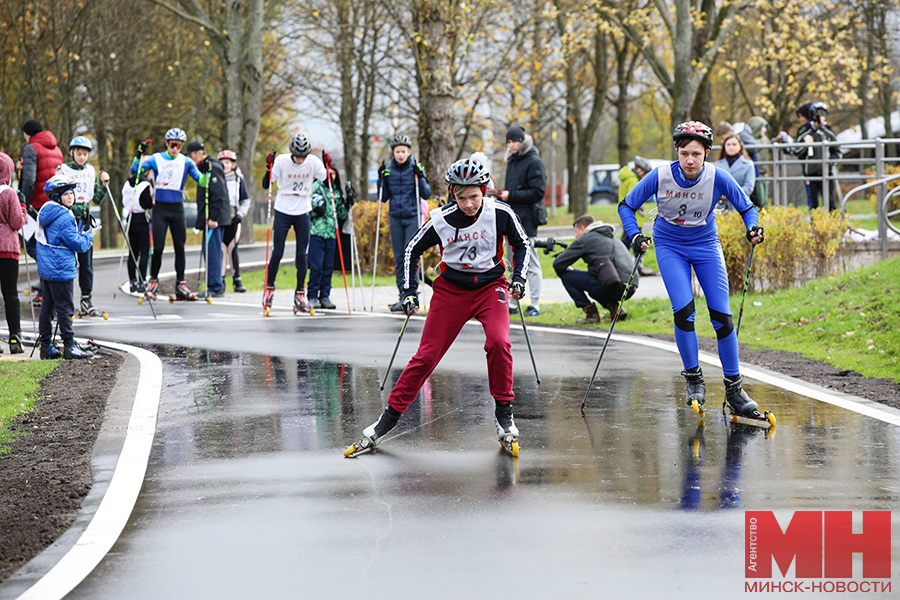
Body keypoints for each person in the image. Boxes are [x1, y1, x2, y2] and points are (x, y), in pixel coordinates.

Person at [344, 158, 530, 458]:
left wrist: (519, 278)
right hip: (451, 291)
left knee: (499, 342)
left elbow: (522, 244)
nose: (469, 204)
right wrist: (408, 291)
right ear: (452, 195)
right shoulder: (440, 218)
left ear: (484, 190)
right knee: (426, 356)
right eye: (461, 197)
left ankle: (504, 416)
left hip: (490, 287)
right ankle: (384, 423)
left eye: (474, 196)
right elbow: (411, 249)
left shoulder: (500, 212)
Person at [618, 121, 767, 421]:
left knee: (722, 317)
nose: (689, 160)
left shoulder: (717, 177)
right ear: (676, 151)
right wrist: (635, 234)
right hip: (669, 244)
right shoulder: (659, 175)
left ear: (707, 154)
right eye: (684, 153)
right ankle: (694, 379)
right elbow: (626, 205)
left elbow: (748, 207)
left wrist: (753, 227)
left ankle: (735, 390)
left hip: (705, 243)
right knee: (684, 311)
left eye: (696, 154)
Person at [131, 128, 203, 299]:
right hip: (160, 209)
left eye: (178, 146)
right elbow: (136, 172)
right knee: (158, 248)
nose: (175, 149)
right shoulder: (156, 158)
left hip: (177, 208)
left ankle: (181, 284)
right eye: (172, 145)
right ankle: (153, 281)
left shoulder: (186, 161)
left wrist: (207, 170)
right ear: (166, 144)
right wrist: (138, 156)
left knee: (180, 247)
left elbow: (201, 180)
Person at [261, 133, 327, 313]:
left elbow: (325, 179)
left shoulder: (313, 161)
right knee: (278, 252)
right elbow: (267, 184)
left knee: (301, 255)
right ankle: (269, 289)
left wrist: (327, 163)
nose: (300, 160)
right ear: (291, 153)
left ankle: (299, 294)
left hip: (303, 210)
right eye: (297, 156)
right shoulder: (282, 161)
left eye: (303, 156)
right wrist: (269, 167)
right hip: (283, 209)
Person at [35, 175, 95, 359]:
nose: (71, 197)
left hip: (48, 270)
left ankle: (46, 346)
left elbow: (60, 238)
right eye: (66, 194)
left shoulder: (46, 211)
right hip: (61, 270)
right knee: (65, 309)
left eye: (72, 193)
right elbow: (77, 244)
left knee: (48, 308)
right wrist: (89, 234)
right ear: (56, 196)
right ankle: (69, 346)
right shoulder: (64, 217)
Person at [377, 135, 432, 312]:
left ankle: (412, 293)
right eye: (397, 151)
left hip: (412, 217)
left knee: (411, 255)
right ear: (393, 152)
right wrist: (381, 179)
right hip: (395, 217)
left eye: (404, 151)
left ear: (409, 152)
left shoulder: (414, 169)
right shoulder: (389, 170)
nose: (401, 154)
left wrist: (421, 176)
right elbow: (383, 197)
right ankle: (402, 294)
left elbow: (426, 194)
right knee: (399, 256)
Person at [552, 214, 638, 324]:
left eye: (576, 231)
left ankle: (591, 315)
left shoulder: (587, 238)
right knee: (594, 283)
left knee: (567, 276)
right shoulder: (609, 236)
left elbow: (558, 263)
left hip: (617, 285)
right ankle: (616, 309)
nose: (575, 236)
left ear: (582, 228)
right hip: (631, 286)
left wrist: (568, 269)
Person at [58, 135, 110, 316]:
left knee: (86, 263)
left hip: (85, 221)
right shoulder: (63, 169)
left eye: (85, 154)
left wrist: (104, 185)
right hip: (67, 220)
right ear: (72, 153)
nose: (81, 157)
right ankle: (63, 301)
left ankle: (86, 299)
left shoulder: (91, 171)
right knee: (65, 261)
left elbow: (96, 198)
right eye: (78, 153)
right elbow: (55, 192)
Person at [498, 123, 546, 317]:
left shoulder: (534, 161)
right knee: (511, 262)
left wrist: (511, 196)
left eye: (514, 141)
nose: (511, 145)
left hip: (528, 220)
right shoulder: (511, 161)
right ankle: (512, 303)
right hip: (512, 218)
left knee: (531, 262)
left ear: (522, 141)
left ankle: (535, 304)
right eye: (508, 142)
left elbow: (538, 192)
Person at [18, 119, 64, 304]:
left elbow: (29, 180)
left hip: (36, 205)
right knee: (47, 244)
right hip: (55, 204)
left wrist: (23, 203)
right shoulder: (56, 149)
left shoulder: (31, 148)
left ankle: (49, 284)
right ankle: (48, 284)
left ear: (27, 133)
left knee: (33, 246)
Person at [185, 141, 230, 298]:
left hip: (214, 219)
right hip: (208, 218)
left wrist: (213, 218)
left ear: (199, 153)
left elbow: (219, 194)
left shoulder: (212, 167)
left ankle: (215, 286)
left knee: (212, 252)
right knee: (209, 251)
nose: (191, 159)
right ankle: (215, 283)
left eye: (191, 155)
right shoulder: (204, 167)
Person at [307, 165, 348, 309]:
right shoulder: (316, 186)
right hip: (317, 232)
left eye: (334, 174)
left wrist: (347, 203)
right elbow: (310, 201)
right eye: (328, 173)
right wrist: (316, 206)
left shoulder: (336, 191)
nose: (331, 176)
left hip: (331, 233)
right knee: (316, 266)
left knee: (328, 267)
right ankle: (312, 296)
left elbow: (341, 214)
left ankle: (325, 296)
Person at [0, 152, 27, 354]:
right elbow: (17, 222)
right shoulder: (9, 193)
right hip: (8, 248)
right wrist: (23, 206)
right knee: (10, 293)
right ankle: (14, 338)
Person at [218, 150, 250, 293]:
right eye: (222, 162)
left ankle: (237, 279)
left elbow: (245, 200)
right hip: (220, 218)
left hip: (233, 217)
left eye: (227, 162)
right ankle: (221, 279)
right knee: (221, 249)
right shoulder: (215, 178)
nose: (224, 165)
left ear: (233, 164)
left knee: (232, 248)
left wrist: (240, 214)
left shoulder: (238, 180)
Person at [121, 155, 153, 292]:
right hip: (141, 219)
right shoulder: (145, 184)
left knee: (132, 252)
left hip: (130, 219)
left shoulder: (127, 183)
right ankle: (141, 280)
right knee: (144, 251)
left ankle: (132, 280)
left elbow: (123, 201)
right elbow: (147, 204)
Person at [617, 156, 654, 276]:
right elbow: (633, 200)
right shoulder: (633, 181)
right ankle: (637, 266)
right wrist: (641, 207)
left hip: (628, 219)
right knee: (638, 243)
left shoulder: (627, 178)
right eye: (645, 173)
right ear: (639, 170)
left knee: (625, 243)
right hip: (634, 219)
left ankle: (621, 265)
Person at [713, 134, 756, 210]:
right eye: (728, 144)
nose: (731, 147)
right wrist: (720, 194)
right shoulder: (717, 165)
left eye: (734, 144)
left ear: (740, 146)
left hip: (741, 204)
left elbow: (749, 187)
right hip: (720, 206)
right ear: (724, 147)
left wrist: (730, 195)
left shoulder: (748, 164)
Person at [747, 116, 770, 207]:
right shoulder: (750, 140)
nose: (765, 130)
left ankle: (764, 214)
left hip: (764, 172)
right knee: (759, 198)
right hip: (757, 173)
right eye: (763, 127)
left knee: (765, 198)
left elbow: (770, 145)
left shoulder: (764, 138)